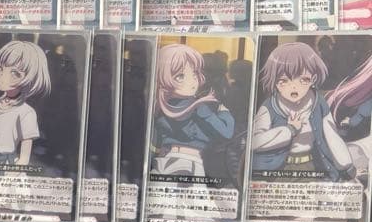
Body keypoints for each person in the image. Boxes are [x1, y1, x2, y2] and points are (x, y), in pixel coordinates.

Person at [252, 42, 355, 180]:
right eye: (283, 81)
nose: (294, 87)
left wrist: (346, 165)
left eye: (303, 80)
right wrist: (289, 130)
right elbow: (254, 142)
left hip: (313, 168)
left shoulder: (318, 102)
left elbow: (332, 135)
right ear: (274, 81)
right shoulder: (270, 106)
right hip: (276, 172)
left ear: (313, 79)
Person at [151, 43, 234, 177]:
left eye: (195, 73)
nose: (193, 80)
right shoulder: (198, 105)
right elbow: (226, 133)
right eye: (180, 76)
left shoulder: (162, 104)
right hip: (189, 162)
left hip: (165, 160)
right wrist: (224, 112)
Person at [0, 41, 51, 166]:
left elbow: (25, 155)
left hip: (6, 164)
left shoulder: (26, 112)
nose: (3, 76)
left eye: (15, 73)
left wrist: (16, 169)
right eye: (0, 69)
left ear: (31, 79)